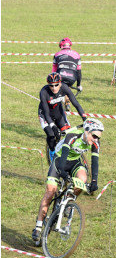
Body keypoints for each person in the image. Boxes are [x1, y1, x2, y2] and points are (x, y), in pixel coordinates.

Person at [32, 118, 104, 246]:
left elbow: (95, 162)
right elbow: (64, 154)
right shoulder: (73, 135)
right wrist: (62, 173)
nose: (96, 139)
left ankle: (69, 200)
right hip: (60, 160)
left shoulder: (95, 144)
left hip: (74, 162)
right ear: (86, 131)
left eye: (98, 137)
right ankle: (38, 226)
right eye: (94, 136)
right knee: (50, 192)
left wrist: (94, 181)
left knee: (82, 179)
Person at [39, 73, 87, 162]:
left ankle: (69, 154)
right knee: (52, 135)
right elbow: (46, 113)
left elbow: (76, 104)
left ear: (60, 83)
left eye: (56, 85)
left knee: (69, 135)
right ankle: (52, 152)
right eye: (51, 85)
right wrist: (52, 126)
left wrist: (85, 118)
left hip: (59, 113)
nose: (54, 88)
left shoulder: (64, 88)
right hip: (45, 115)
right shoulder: (43, 92)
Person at [52, 37, 82, 112]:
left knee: (56, 88)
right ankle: (67, 102)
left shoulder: (56, 54)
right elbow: (79, 72)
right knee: (66, 86)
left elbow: (54, 70)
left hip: (60, 76)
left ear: (61, 46)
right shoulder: (77, 55)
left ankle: (57, 104)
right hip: (72, 77)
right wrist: (78, 85)